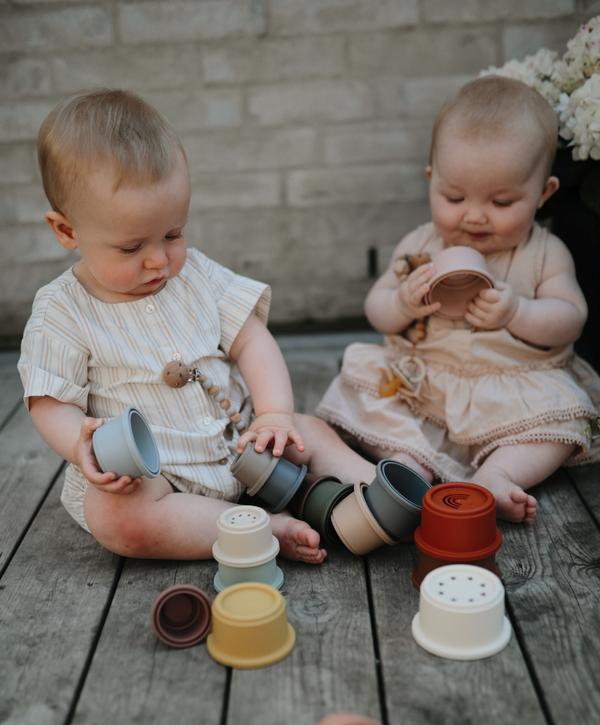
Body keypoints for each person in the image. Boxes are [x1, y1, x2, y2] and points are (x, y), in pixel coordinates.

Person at [18, 89, 376, 564]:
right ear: (67, 231)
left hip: (247, 445)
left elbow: (251, 339)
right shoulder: (62, 310)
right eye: (130, 248)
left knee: (310, 430)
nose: (159, 260)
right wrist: (80, 443)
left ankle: (378, 492)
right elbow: (49, 401)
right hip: (153, 477)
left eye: (173, 234)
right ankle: (261, 529)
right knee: (120, 519)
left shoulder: (199, 275)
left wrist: (273, 415)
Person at [317, 76, 600, 523]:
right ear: (432, 181)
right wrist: (404, 305)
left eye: (502, 201)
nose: (473, 214)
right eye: (454, 196)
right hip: (425, 384)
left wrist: (517, 311)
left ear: (543, 194)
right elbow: (378, 309)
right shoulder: (419, 245)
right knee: (367, 395)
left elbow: (571, 318)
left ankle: (499, 473)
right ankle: (410, 463)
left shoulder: (543, 254)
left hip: (513, 386)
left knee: (563, 421)